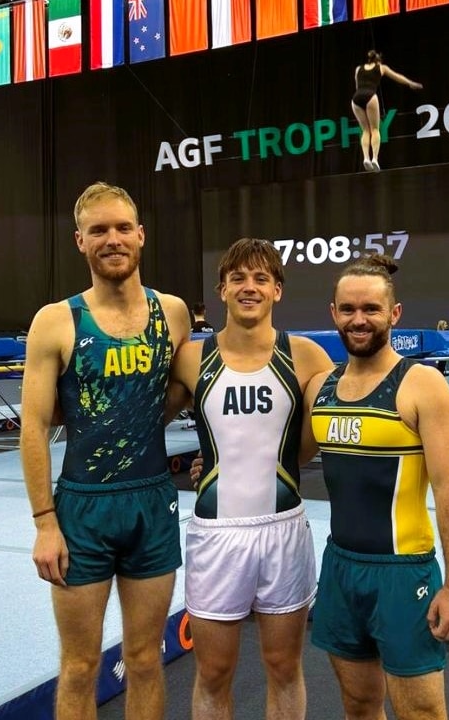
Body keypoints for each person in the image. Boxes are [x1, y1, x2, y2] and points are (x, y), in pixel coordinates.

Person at [19, 181, 191, 720]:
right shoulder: (56, 320)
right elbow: (34, 425)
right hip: (81, 511)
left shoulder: (175, 313)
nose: (112, 239)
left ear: (140, 235)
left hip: (151, 502)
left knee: (145, 658)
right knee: (79, 665)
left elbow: (179, 392)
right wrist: (45, 520)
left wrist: (132, 426)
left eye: (121, 228)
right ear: (80, 241)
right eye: (99, 230)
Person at [167, 238, 333, 720]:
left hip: (283, 529)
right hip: (216, 536)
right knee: (214, 672)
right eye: (238, 277)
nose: (249, 287)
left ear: (278, 290)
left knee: (284, 667)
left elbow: (306, 449)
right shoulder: (191, 359)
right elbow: (145, 419)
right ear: (221, 289)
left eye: (261, 278)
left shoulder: (307, 358)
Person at [301, 254, 449, 720]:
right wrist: (211, 466)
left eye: (371, 309)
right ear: (333, 312)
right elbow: (282, 460)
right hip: (340, 569)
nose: (360, 320)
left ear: (394, 314)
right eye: (349, 309)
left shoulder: (421, 385)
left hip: (403, 574)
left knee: (421, 712)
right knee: (358, 704)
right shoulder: (322, 388)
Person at [351, 50, 422, 172]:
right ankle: (375, 159)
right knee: (375, 129)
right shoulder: (381, 67)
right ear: (378, 60)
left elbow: (357, 86)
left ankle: (366, 158)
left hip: (356, 98)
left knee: (365, 130)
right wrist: (410, 83)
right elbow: (397, 77)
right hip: (370, 95)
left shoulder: (358, 69)